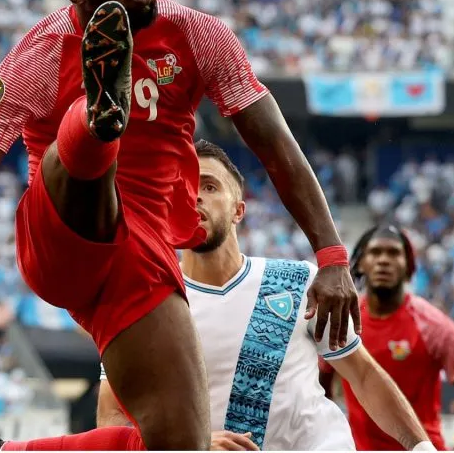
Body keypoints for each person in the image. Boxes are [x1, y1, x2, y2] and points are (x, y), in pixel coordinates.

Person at [0, 0, 359, 451]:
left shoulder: (198, 34)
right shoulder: (38, 54)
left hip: (141, 258)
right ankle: (97, 114)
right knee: (86, 151)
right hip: (61, 233)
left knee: (180, 444)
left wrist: (332, 256)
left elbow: (277, 148)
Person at [96, 140, 434, 451]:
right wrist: (192, 444)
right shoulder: (146, 304)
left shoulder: (300, 282)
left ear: (239, 211)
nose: (194, 196)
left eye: (209, 186)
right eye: (182, 187)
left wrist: (422, 447)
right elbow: (113, 414)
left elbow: (362, 374)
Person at [319, 225, 454, 451]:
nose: (383, 260)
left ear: (408, 267)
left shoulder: (433, 325)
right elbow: (320, 391)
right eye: (375, 252)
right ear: (361, 263)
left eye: (394, 253)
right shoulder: (344, 320)